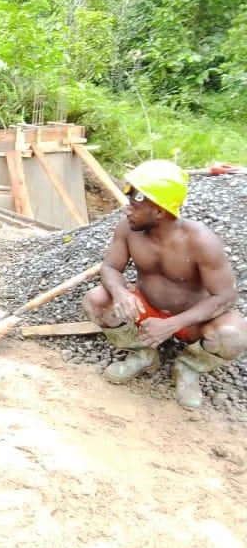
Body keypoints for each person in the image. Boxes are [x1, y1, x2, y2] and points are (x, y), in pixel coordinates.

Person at [82, 160, 247, 408]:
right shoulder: (128, 229)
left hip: (192, 321)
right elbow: (110, 268)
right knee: (96, 300)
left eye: (136, 202)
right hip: (145, 312)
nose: (127, 209)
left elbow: (225, 297)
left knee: (233, 336)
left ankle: (188, 366)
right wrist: (119, 293)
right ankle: (142, 353)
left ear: (159, 211)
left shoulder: (201, 241)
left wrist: (172, 324)